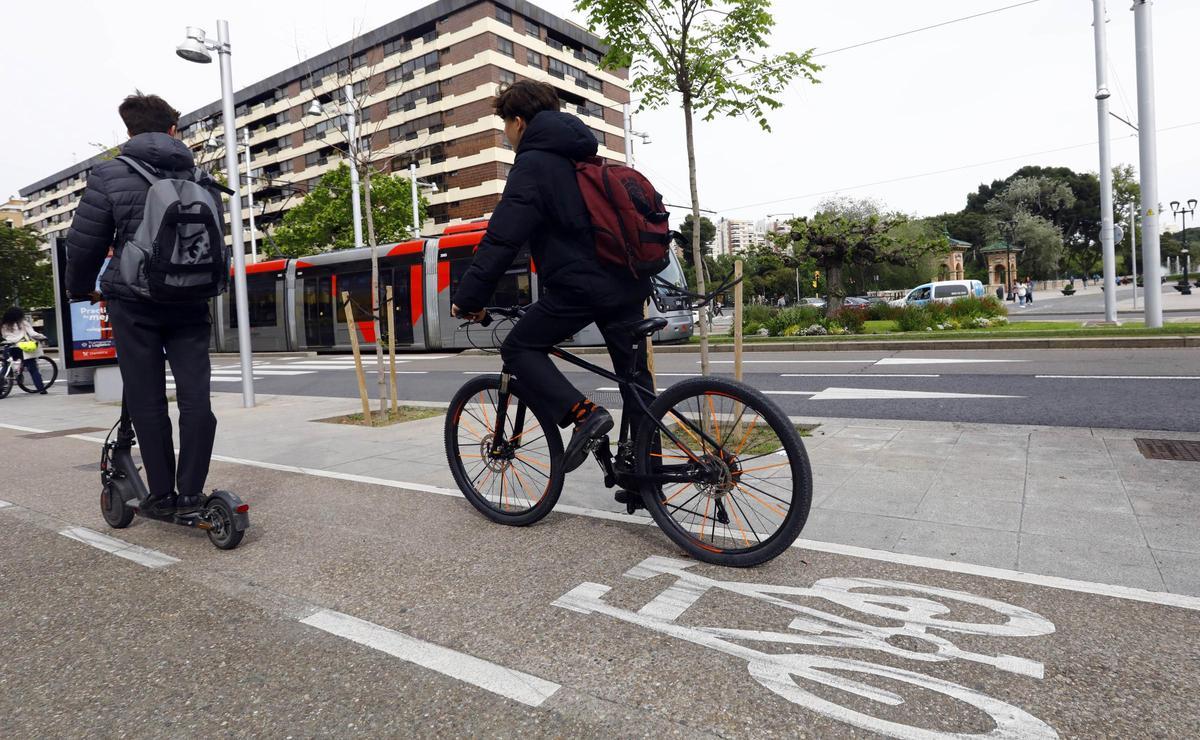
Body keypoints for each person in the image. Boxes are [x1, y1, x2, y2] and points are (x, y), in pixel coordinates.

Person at [450, 80, 653, 476]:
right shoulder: (584, 157)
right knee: (636, 383)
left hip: (582, 286)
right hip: (627, 283)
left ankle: (585, 414)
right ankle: (648, 478)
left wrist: (470, 298)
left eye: (505, 125)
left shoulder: (534, 164)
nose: (506, 135)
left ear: (519, 122)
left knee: (519, 348)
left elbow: (502, 238)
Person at [65, 93, 219, 517]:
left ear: (129, 132)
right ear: (174, 130)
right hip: (191, 300)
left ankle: (162, 495)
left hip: (133, 303)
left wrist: (79, 289)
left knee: (147, 397)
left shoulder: (110, 174)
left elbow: (85, 244)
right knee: (196, 399)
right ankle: (192, 493)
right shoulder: (201, 175)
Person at [1, 306, 48, 394]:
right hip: (22, 348)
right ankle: (41, 389)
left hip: (9, 347)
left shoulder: (4, 324)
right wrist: (43, 337)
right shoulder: (22, 323)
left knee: (6, 367)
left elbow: (4, 336)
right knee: (33, 369)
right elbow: (33, 334)